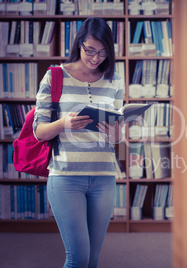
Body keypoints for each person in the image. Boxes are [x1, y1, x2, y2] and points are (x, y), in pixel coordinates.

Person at [33, 17, 124, 268]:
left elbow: (119, 128)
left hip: (104, 176)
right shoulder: (55, 76)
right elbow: (39, 132)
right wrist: (64, 124)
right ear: (79, 44)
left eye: (103, 53)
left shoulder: (114, 79)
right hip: (66, 177)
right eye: (90, 50)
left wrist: (119, 136)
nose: (95, 58)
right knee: (78, 258)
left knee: (93, 259)